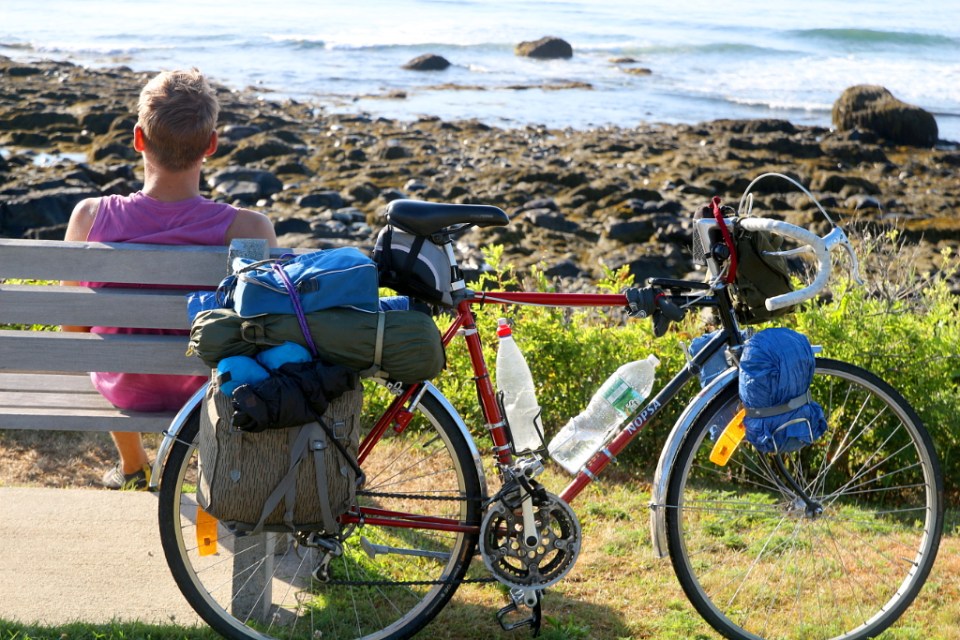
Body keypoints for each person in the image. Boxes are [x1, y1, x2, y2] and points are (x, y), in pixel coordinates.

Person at [62, 68, 278, 490]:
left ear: (139, 138)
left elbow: (73, 330)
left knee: (107, 348)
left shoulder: (90, 217)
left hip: (123, 387)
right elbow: (263, 327)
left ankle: (132, 466)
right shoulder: (250, 230)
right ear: (211, 145)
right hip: (205, 390)